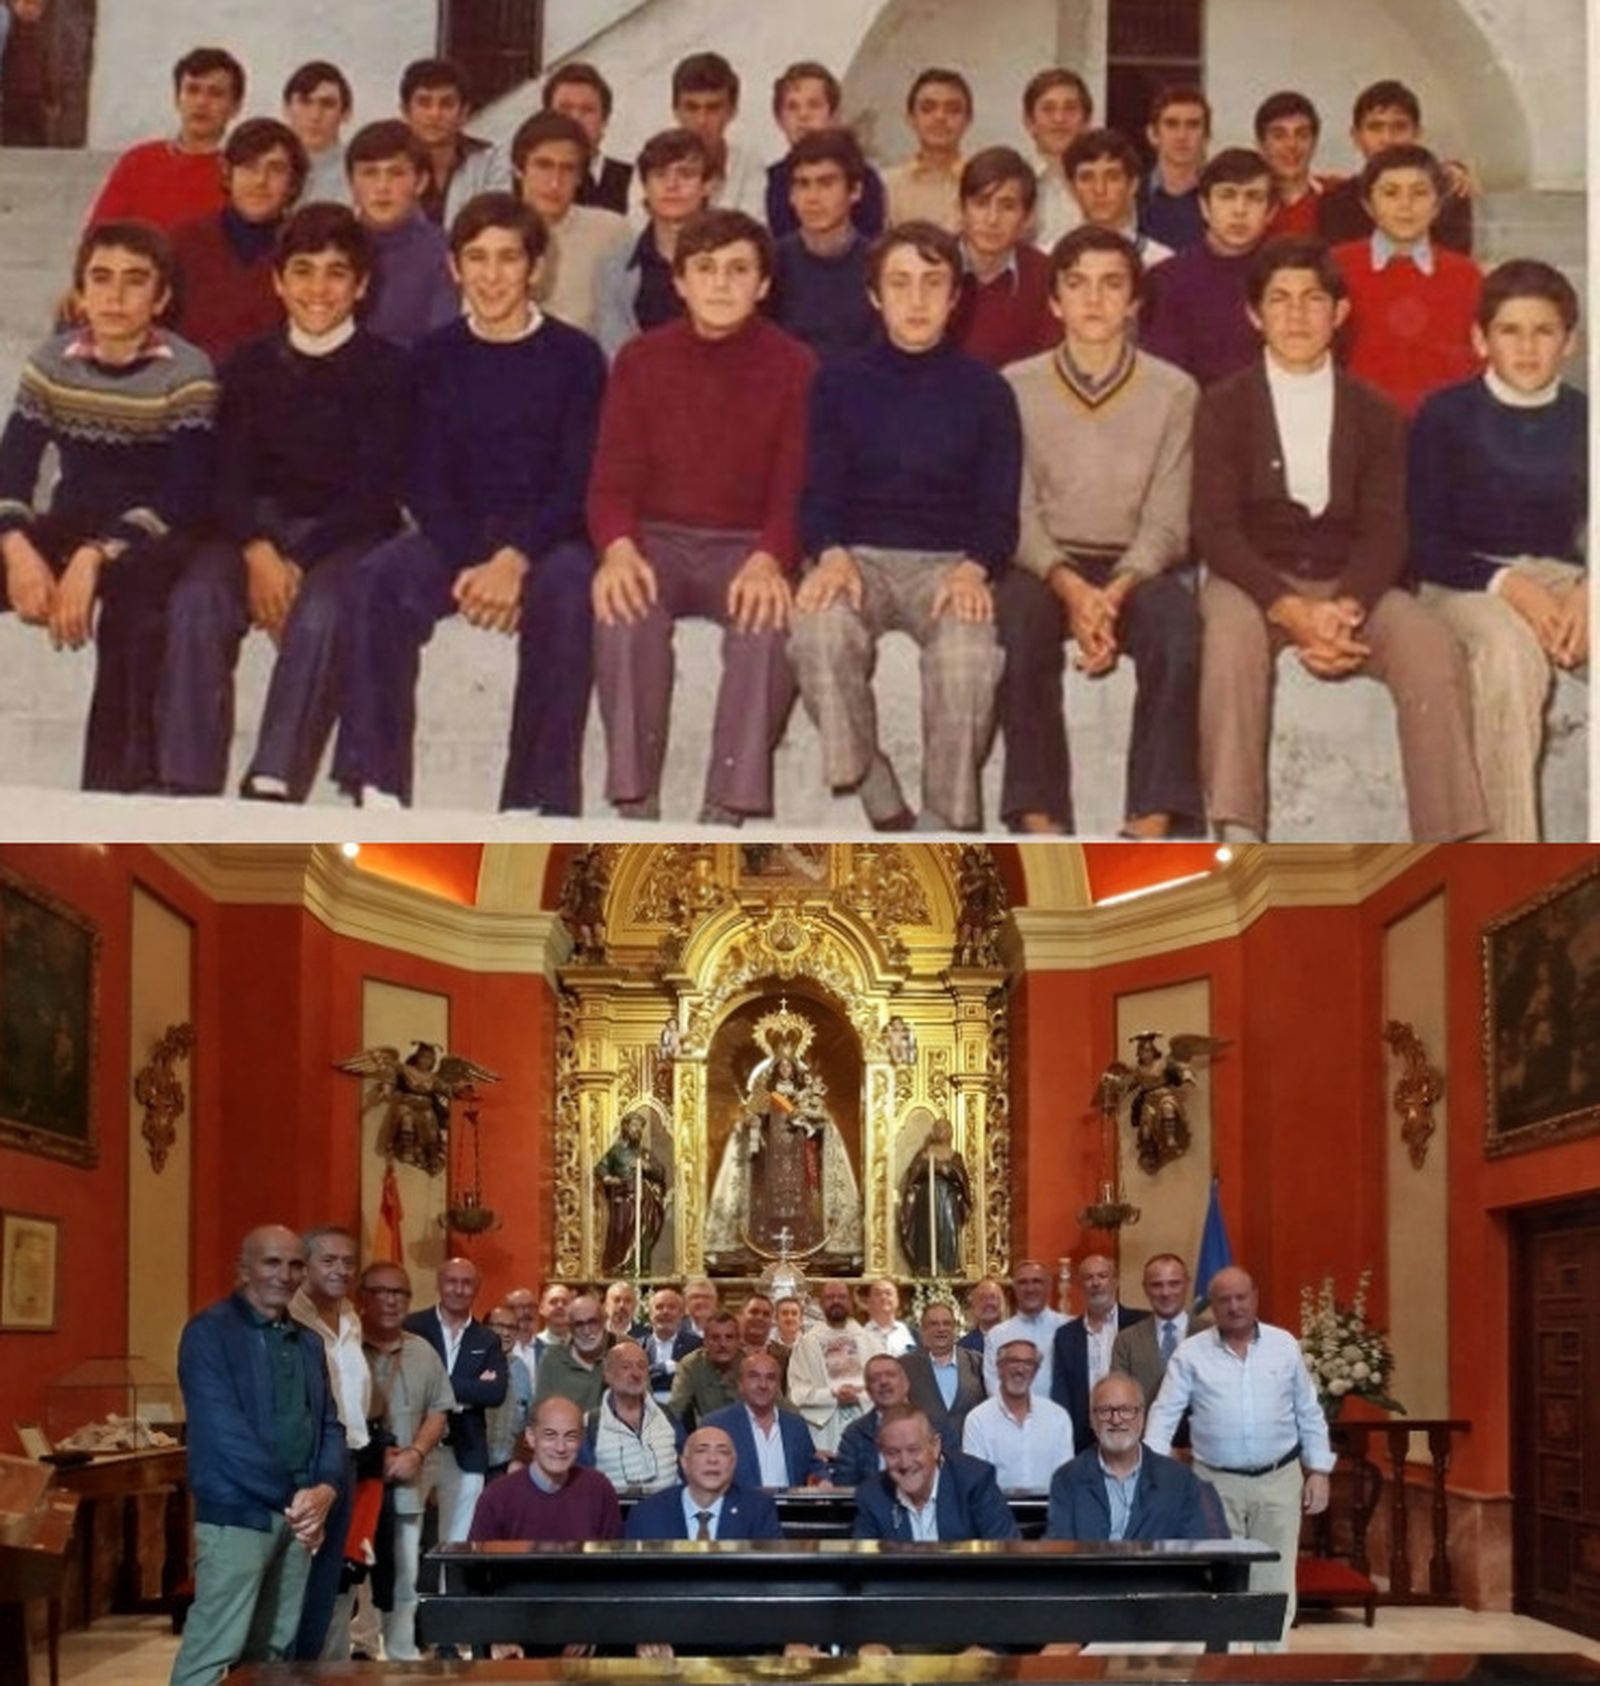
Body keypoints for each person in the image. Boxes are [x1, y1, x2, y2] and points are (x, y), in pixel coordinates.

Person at [1194, 235, 1486, 845]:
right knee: (1227, 640)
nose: (1297, 315)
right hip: (1255, 582)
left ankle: (1449, 844)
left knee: (1430, 646)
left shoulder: (1375, 410)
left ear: (1340, 312)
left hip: (1350, 582)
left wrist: (1346, 607)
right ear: (1254, 315)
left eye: (1312, 299)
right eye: (1279, 300)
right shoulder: (1223, 406)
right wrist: (1291, 610)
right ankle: (1236, 829)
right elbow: (1214, 528)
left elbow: (1387, 526)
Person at [335, 192, 603, 817]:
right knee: (376, 580)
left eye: (508, 259)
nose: (491, 275)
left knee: (568, 596)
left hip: (547, 537)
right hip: (457, 535)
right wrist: (475, 563)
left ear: (536, 268)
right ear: (454, 268)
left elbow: (576, 479)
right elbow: (422, 478)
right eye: (476, 258)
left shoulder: (577, 356)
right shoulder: (432, 355)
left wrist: (515, 559)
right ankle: (377, 786)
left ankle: (535, 801)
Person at [157, 202, 409, 803]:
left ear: (361, 285)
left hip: (344, 533)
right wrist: (257, 549)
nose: (317, 289)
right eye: (302, 270)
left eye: (335, 273)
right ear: (277, 281)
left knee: (323, 612)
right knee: (196, 600)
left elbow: (377, 488)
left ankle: (273, 777)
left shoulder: (389, 369)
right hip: (254, 533)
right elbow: (227, 475)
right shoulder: (247, 364)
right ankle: (184, 784)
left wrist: (298, 560)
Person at [588, 207, 815, 825]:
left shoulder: (795, 365)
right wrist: (618, 550)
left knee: (768, 625)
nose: (721, 283)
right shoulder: (640, 359)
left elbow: (796, 484)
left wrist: (771, 556)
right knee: (623, 611)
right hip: (655, 539)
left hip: (745, 544)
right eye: (705, 269)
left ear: (764, 284)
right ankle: (636, 801)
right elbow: (611, 479)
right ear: (680, 281)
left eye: (739, 270)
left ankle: (725, 806)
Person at [790, 220, 1019, 832]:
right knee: (817, 630)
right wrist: (829, 553)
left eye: (932, 283)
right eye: (900, 283)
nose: (916, 301)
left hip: (948, 564)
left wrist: (976, 567)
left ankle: (944, 820)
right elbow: (816, 491)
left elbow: (1000, 509)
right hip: (857, 557)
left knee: (968, 657)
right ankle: (873, 785)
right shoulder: (837, 382)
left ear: (955, 296)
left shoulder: (988, 392)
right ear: (874, 296)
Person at [996, 225, 1200, 839]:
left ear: (1136, 300)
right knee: (1020, 628)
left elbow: (1168, 518)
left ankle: (1150, 823)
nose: (1094, 300)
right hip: (1044, 564)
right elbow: (1017, 510)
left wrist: (1112, 592)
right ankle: (1041, 820)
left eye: (1113, 285)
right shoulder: (1015, 385)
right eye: (1077, 285)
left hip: (1134, 566)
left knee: (1180, 631)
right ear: (1054, 300)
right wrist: (1070, 588)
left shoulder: (1174, 390)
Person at [0, 219, 217, 794]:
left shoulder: (188, 371)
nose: (115, 296)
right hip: (71, 520)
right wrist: (18, 548)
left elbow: (185, 494)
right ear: (79, 291)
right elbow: (12, 469)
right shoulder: (52, 363)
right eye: (100, 279)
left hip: (155, 535)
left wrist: (95, 557)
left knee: (136, 615)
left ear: (162, 297)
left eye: (134, 281)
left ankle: (114, 795)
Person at [1408, 259, 1587, 842]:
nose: (1529, 347)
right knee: (1510, 653)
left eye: (1545, 331)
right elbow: (1422, 541)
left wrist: (1590, 590)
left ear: (1571, 341)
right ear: (1480, 339)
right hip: (1463, 583)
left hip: (1566, 579)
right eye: (1510, 331)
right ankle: (1507, 864)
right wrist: (1511, 586)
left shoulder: (1587, 416)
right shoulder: (1445, 414)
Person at [169, 1225, 344, 1686]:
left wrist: (326, 1487)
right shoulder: (208, 1334)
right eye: (271, 1262)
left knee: (271, 1655)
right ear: (243, 1269)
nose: (284, 1275)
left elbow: (329, 1422)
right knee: (213, 1652)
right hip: (239, 1515)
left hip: (298, 1517)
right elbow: (225, 1435)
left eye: (294, 1264)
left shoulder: (309, 1341)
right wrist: (298, 1499)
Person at [1146, 1265, 1335, 1645]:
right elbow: (1163, 1415)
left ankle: (1269, 1665)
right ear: (1210, 1307)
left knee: (1275, 1583)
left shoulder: (1285, 1345)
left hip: (1279, 1480)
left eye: (1241, 1297)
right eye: (1224, 1300)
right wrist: (1152, 1474)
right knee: (1222, 1579)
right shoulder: (1190, 1353)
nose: (1234, 1307)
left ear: (1255, 1298)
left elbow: (1308, 1411)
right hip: (1213, 1484)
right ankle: (1225, 1666)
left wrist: (1319, 1470)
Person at [1330, 144, 1482, 418]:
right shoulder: (1336, 266)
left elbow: (1479, 365)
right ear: (1368, 205)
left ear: (1438, 204)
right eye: (1390, 193)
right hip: (1358, 426)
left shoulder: (1466, 275)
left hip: (1443, 429)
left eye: (1419, 193)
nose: (1405, 205)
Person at [357, 1261, 454, 1665]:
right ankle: (360, 1649)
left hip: (408, 1484)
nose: (391, 1300)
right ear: (362, 1298)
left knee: (405, 1573)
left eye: (399, 1293)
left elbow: (439, 1409)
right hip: (357, 1484)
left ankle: (400, 1650)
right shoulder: (344, 1348)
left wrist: (415, 1453)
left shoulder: (422, 1351)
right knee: (356, 1573)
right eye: (381, 1291)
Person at [288, 1226, 369, 1662]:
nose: (341, 1269)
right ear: (304, 1267)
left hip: (348, 1459)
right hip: (308, 1462)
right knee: (294, 1580)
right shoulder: (291, 1319)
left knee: (328, 1578)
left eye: (348, 1262)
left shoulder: (353, 1319)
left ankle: (312, 1669)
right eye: (329, 1260)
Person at [1141, 148, 1277, 388]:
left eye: (1253, 197)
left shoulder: (1288, 278)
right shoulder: (1165, 280)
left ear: (1271, 213)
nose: (1239, 210)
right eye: (1227, 195)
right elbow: (1161, 377)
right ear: (1204, 206)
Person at [401, 1255, 508, 1545]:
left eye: (467, 1283)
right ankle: (405, 1593)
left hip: (466, 1450)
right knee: (404, 1538)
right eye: (452, 1282)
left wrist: (435, 1388)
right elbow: (408, 1384)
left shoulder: (487, 1339)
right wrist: (468, 1390)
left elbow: (495, 1393)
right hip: (414, 1446)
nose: (459, 1289)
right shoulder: (412, 1327)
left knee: (460, 1544)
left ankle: (450, 1592)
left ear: (477, 1289)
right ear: (439, 1284)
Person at [1046, 1373, 1226, 1541]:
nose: (1116, 1420)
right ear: (1092, 1419)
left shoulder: (1179, 1480)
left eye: (1126, 1410)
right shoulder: (1067, 1479)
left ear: (1141, 1416)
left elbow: (1196, 1554)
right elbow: (1061, 1555)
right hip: (1090, 1575)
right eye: (1105, 1410)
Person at [88, 45, 242, 230]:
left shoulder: (242, 171)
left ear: (235, 107)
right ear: (177, 99)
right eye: (192, 90)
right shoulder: (138, 162)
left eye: (215, 93)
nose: (202, 102)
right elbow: (99, 236)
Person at [593, 128, 712, 358]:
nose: (672, 185)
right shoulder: (613, 268)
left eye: (685, 174)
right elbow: (616, 356)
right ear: (645, 186)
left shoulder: (733, 261)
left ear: (707, 185)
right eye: (659, 175)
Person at [510, 110, 629, 339]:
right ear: (518, 169)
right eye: (543, 165)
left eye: (567, 168)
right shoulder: (491, 232)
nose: (555, 182)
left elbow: (623, 325)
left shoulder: (611, 232)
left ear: (580, 177)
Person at [1319, 79, 1474, 255]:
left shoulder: (1447, 195)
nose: (1387, 139)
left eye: (1399, 127)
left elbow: (1453, 267)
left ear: (1417, 133)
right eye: (1375, 127)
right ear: (1356, 137)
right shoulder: (1336, 202)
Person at [345, 119, 461, 350]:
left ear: (420, 182)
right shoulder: (333, 243)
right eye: (369, 173)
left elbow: (441, 344)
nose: (382, 187)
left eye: (396, 173)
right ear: (351, 183)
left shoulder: (445, 251)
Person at [770, 127, 880, 361]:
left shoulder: (880, 265)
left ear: (856, 191)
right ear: (790, 194)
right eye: (803, 184)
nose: (812, 198)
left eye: (826, 183)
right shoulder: (771, 264)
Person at [949, 147, 1057, 369]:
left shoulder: (1047, 276)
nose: (992, 219)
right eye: (980, 203)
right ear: (961, 209)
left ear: (1027, 217)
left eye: (1007, 206)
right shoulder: (928, 267)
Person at [853, 1404, 1018, 1541]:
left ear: (935, 1446)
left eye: (913, 1450)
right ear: (881, 1453)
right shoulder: (872, 1495)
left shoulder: (974, 1481)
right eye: (893, 1453)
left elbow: (1008, 1557)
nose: (905, 1463)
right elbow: (862, 1570)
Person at [471, 1395, 623, 1541]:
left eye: (570, 1436)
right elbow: (476, 1565)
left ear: (580, 1440)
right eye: (550, 1435)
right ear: (531, 1437)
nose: (560, 1447)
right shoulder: (497, 1496)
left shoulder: (599, 1489)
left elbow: (615, 1563)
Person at [766, 60, 886, 239]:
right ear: (779, 119)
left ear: (834, 115)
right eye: (792, 107)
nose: (803, 115)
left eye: (814, 105)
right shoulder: (771, 180)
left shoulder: (864, 177)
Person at [642, 50, 764, 221]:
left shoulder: (748, 163)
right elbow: (640, 230)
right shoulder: (652, 163)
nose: (701, 120)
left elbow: (753, 232)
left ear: (732, 111)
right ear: (676, 111)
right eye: (692, 108)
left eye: (713, 108)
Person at [1050, 1253, 1149, 1450]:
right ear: (1080, 1285)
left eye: (1102, 1276)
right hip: (1084, 1438)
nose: (1095, 1283)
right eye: (1088, 1277)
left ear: (1115, 1281)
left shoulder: (1141, 1324)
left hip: (1133, 1432)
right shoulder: (1066, 1335)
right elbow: (1062, 1394)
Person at [625, 1424, 784, 1541]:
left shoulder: (757, 1510)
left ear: (733, 1463)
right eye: (702, 1450)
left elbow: (772, 1579)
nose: (712, 1459)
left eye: (722, 1452)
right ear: (684, 1463)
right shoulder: (647, 1514)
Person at [399, 57, 503, 227]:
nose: (435, 114)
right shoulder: (388, 163)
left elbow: (496, 223)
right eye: (424, 103)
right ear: (405, 111)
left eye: (446, 104)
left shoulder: (490, 161)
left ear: (464, 112)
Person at [963, 1338, 1075, 1493]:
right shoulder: (977, 1420)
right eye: (1013, 1361)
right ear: (999, 1367)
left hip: (1049, 1513)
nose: (1020, 1370)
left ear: (1035, 1371)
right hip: (996, 1512)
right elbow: (975, 1483)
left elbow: (1066, 1480)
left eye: (1028, 1363)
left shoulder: (1058, 1417)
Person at [703, 1348, 827, 1488]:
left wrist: (823, 1479)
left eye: (771, 1378)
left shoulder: (795, 1424)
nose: (763, 1385)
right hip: (741, 1509)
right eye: (754, 1376)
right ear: (740, 1384)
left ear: (778, 1386)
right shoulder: (717, 1425)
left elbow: (812, 1464)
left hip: (789, 1508)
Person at [831, 1352, 958, 1484]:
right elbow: (844, 1485)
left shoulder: (938, 1426)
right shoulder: (855, 1434)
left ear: (906, 1383)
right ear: (868, 1391)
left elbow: (955, 1477)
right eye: (875, 1378)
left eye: (890, 1375)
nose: (884, 1382)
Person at [580, 1339, 683, 1494]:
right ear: (607, 1375)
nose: (636, 1373)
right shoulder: (590, 1424)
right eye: (626, 1367)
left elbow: (688, 1465)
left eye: (641, 1366)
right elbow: (581, 1484)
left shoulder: (668, 1415)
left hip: (666, 1513)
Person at [1110, 1252, 1211, 1409]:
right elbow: (1120, 1400)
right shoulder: (1127, 1341)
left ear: (1187, 1284)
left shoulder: (1212, 1334)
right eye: (1156, 1285)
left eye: (1174, 1284)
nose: (1165, 1292)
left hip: (1202, 1430)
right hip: (1147, 1431)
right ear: (1145, 1288)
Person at [1063, 129, 1173, 267]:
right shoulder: (1049, 258)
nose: (1100, 190)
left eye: (1112, 177)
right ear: (1072, 188)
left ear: (1133, 185)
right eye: (1087, 178)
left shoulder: (1162, 262)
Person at [882, 68, 971, 233]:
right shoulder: (886, 186)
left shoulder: (984, 185)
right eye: (928, 108)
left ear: (968, 119)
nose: (940, 117)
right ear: (910, 118)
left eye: (953, 109)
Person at [786, 1277, 870, 1452]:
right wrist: (831, 1395)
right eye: (830, 1297)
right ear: (821, 1304)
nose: (836, 1301)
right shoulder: (807, 1344)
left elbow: (884, 1385)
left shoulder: (868, 1340)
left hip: (864, 1425)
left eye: (841, 1296)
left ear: (851, 1301)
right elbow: (796, 1391)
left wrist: (861, 1395)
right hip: (824, 1433)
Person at [543, 62, 630, 213]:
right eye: (565, 109)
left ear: (604, 121)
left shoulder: (632, 181)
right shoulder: (526, 181)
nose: (575, 118)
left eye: (587, 110)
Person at [1022, 68, 1091, 252]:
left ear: (1086, 121)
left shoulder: (1106, 183)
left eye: (1070, 108)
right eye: (1048, 109)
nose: (1059, 119)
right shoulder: (1012, 180)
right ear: (1029, 122)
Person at [595, 1108, 667, 1275]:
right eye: (635, 1126)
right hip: (624, 1199)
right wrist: (608, 1178)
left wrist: (647, 1167)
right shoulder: (616, 1151)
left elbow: (661, 1172)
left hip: (645, 1201)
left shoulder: (645, 1153)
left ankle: (641, 1268)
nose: (638, 1130)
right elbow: (600, 1167)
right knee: (621, 1230)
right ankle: (619, 1266)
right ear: (626, 1128)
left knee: (643, 1234)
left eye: (641, 1127)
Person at [1138, 86, 1210, 251]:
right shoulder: (1130, 196)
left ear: (1206, 136)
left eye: (1193, 125)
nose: (1182, 136)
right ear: (1152, 134)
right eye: (1171, 124)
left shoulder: (1219, 198)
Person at [899, 1117, 972, 1276]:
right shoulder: (924, 1153)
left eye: (944, 1128)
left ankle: (948, 1266)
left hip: (948, 1197)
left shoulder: (955, 1155)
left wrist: (947, 1170)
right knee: (927, 1228)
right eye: (937, 1128)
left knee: (948, 1229)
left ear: (950, 1132)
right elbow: (914, 1173)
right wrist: (929, 1168)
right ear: (933, 1132)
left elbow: (961, 1177)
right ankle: (925, 1264)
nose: (941, 1131)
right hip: (926, 1197)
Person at [902, 1299, 986, 1437]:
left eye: (947, 1323)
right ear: (922, 1329)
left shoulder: (977, 1362)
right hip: (924, 1451)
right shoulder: (906, 1366)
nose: (941, 1329)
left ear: (955, 1328)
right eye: (933, 1324)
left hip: (969, 1450)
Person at [1256, 92, 1334, 239]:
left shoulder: (1339, 194)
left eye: (1302, 134)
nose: (1291, 145)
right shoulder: (1249, 202)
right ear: (1261, 144)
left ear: (1314, 142)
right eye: (1279, 136)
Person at [283, 60, 353, 207]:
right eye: (305, 102)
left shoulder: (358, 172)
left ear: (346, 113)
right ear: (287, 108)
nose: (315, 115)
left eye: (327, 104)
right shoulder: (266, 169)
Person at [534, 1292, 613, 1414]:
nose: (586, 1331)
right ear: (570, 1328)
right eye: (579, 1324)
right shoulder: (552, 1358)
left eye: (592, 1322)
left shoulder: (622, 1350)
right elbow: (540, 1411)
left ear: (603, 1322)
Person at [667, 1308, 743, 1430]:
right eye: (715, 1338)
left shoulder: (753, 1365)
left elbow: (780, 1408)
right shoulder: (691, 1365)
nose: (722, 1344)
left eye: (729, 1337)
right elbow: (675, 1410)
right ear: (705, 1342)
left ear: (739, 1341)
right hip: (710, 1435)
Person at [483, 1303, 533, 1478]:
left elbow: (527, 1420)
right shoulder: (470, 1364)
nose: (505, 1333)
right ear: (484, 1328)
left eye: (511, 1327)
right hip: (469, 1468)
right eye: (499, 1326)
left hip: (507, 1467)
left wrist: (518, 1459)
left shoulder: (521, 1369)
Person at [0, 0, 57, 147]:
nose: (30, 10)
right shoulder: (7, 33)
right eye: (26, 4)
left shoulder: (42, 36)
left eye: (36, 6)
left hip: (35, 97)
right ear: (15, 6)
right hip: (11, 95)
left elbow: (46, 68)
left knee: (39, 139)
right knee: (10, 138)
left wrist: (50, 97)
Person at [643, 1285, 702, 1404]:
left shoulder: (695, 1345)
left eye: (672, 1307)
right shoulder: (637, 1345)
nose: (665, 1312)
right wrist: (665, 1368)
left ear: (681, 1314)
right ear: (650, 1314)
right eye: (659, 1307)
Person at [860, 1278, 917, 1359]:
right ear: (869, 1301)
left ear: (897, 1300)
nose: (883, 1297)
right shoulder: (860, 1335)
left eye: (888, 1293)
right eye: (877, 1294)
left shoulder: (912, 1335)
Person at [959, 1278, 1007, 1354]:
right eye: (982, 1298)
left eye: (993, 1297)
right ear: (973, 1306)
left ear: (1002, 1303)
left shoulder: (1018, 1339)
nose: (988, 1303)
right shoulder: (963, 1347)